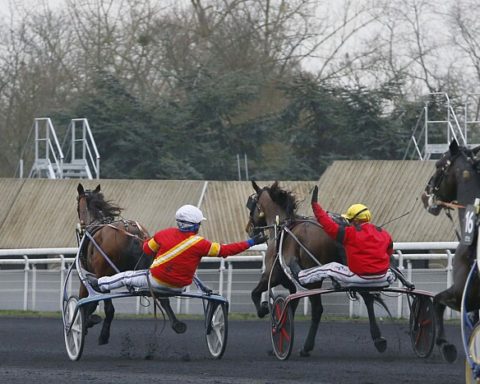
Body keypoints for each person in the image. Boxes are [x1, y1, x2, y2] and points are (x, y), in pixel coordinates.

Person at [88, 204, 267, 293]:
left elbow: (146, 250)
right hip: (181, 287)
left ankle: (100, 284)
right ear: (196, 225)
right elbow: (227, 250)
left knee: (125, 277)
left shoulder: (162, 235)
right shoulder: (202, 244)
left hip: (155, 282)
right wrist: (252, 242)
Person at [290, 186, 395, 288]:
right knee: (391, 269)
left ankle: (302, 277)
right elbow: (389, 253)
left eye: (349, 220)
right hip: (383, 277)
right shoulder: (384, 233)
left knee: (330, 268)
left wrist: (315, 206)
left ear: (356, 220)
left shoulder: (349, 233)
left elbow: (328, 224)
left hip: (359, 278)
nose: (348, 223)